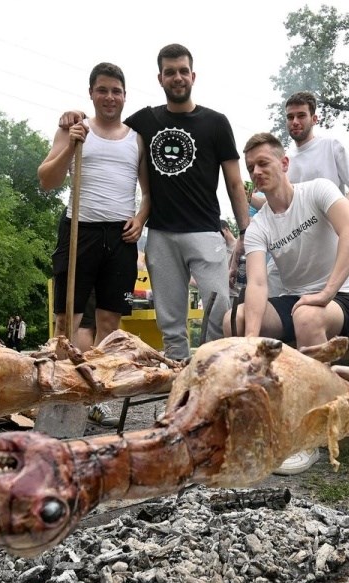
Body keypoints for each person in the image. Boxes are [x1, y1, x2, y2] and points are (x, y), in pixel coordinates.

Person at [63, 44, 250, 360]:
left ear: (193, 75)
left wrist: (245, 231)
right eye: (169, 72)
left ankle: (215, 379)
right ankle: (177, 394)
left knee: (219, 313)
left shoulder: (216, 122)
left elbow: (234, 182)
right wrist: (74, 116)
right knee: (171, 321)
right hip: (161, 235)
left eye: (182, 71)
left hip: (206, 232)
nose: (177, 77)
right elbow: (108, 120)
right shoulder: (145, 121)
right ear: (160, 78)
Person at [226, 132, 349, 475]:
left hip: (342, 297)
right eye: (251, 167)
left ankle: (311, 438)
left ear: (284, 163)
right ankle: (257, 417)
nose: (257, 172)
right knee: (237, 318)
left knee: (306, 315)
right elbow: (257, 283)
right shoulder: (259, 225)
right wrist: (251, 344)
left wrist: (326, 293)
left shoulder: (318, 190)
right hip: (294, 300)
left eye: (264, 163)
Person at [40, 62, 147, 352]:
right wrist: (70, 146)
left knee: (110, 322)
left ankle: (99, 388)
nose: (109, 97)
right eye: (102, 90)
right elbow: (47, 180)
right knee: (66, 320)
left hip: (120, 236)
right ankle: (65, 387)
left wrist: (141, 218)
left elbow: (148, 193)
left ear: (125, 95)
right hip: (79, 229)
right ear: (91, 93)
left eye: (116, 91)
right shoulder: (73, 129)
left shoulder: (136, 138)